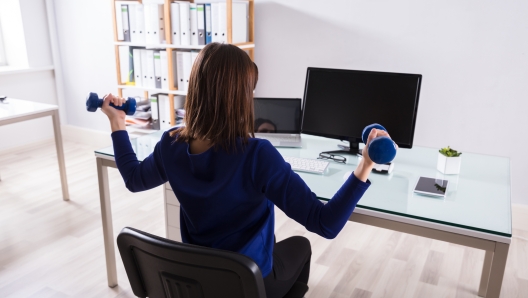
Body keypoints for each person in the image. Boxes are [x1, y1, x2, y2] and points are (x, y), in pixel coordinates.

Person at [102, 43, 392, 298]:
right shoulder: (257, 155)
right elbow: (325, 224)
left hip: (196, 277)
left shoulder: (171, 144)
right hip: (246, 282)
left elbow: (134, 179)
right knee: (301, 246)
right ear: (239, 98)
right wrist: (365, 164)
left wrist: (118, 123)